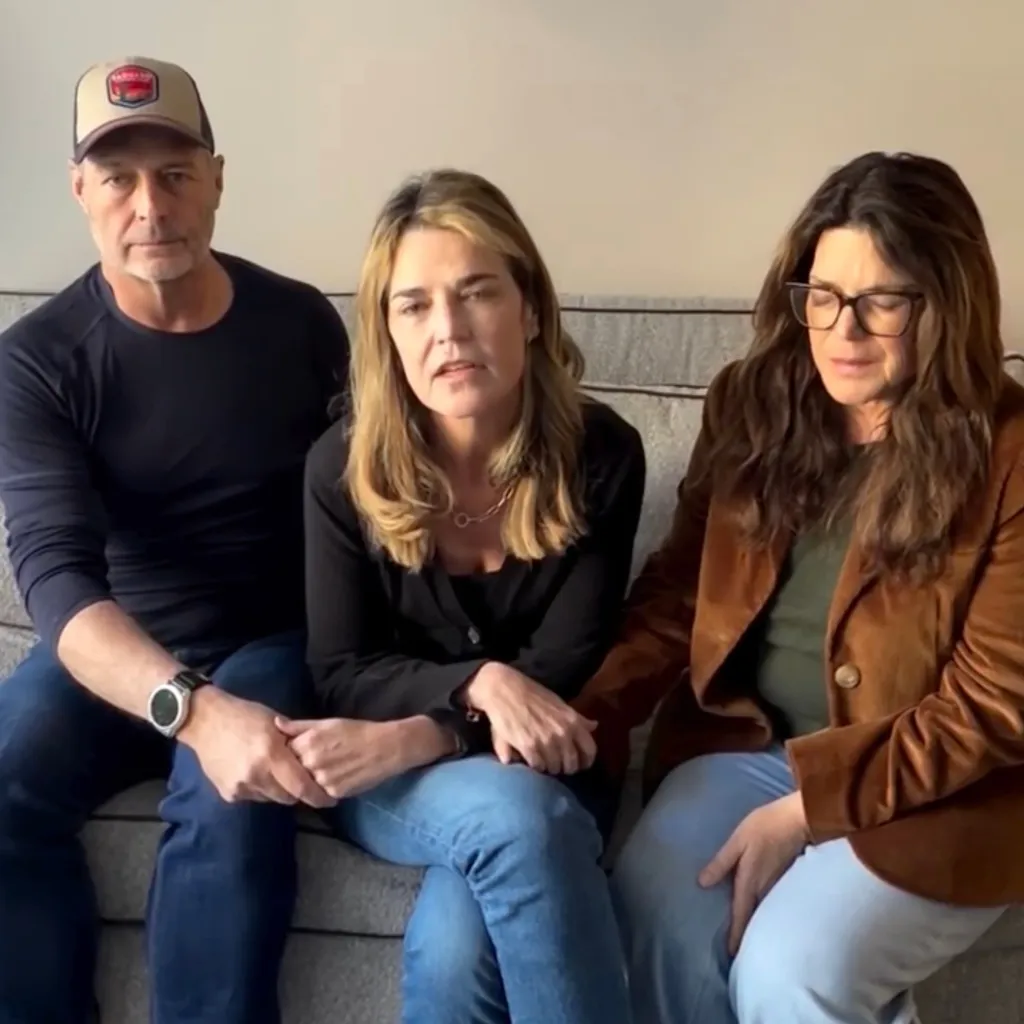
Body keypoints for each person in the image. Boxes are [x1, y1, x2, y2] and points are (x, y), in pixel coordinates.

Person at [574, 151, 1023, 1024]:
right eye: (821, 296)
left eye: (880, 300)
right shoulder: (754, 403)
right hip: (742, 748)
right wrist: (589, 720)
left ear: (948, 301)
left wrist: (811, 807)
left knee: (790, 971)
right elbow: (676, 598)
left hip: (935, 793)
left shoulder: (1010, 454)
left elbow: (994, 705)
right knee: (653, 922)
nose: (842, 332)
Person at [0, 57, 349, 1024]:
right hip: (115, 651)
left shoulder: (302, 324)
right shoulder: (38, 363)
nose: (150, 205)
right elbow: (58, 587)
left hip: (274, 641)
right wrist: (193, 711)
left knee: (233, 802)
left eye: (176, 172)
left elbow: (362, 512)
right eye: (118, 177)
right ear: (81, 191)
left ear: (218, 178)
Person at [291, 167, 645, 1024]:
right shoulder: (340, 470)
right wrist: (479, 683)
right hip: (389, 776)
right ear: (386, 332)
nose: (447, 331)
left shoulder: (601, 456)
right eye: (414, 305)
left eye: (476, 292)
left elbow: (565, 666)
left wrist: (433, 727)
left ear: (529, 308)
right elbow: (340, 670)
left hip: (541, 754)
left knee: (455, 948)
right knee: (523, 826)